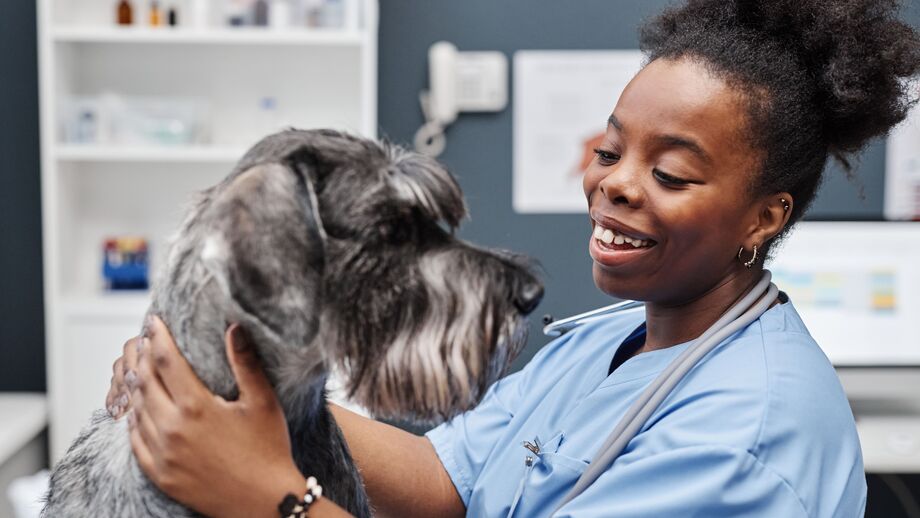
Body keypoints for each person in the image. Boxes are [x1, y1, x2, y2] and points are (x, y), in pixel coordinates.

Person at [106, 0, 920, 516]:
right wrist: (224, 399)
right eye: (609, 151)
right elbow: (445, 478)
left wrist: (269, 493)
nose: (615, 184)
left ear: (765, 216)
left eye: (670, 173)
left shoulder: (749, 436)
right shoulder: (611, 341)